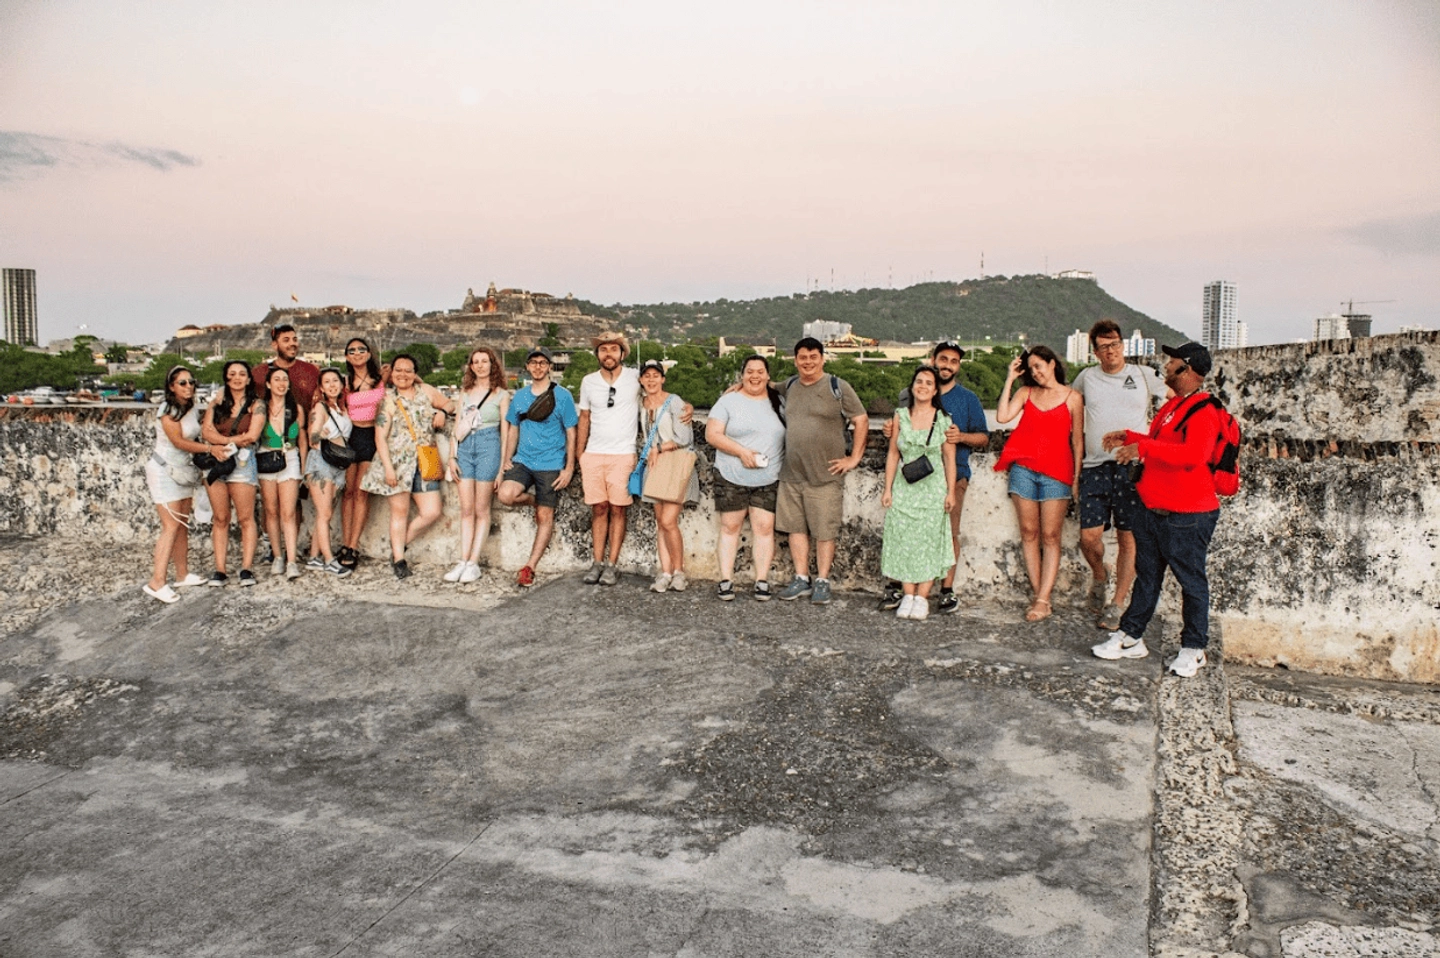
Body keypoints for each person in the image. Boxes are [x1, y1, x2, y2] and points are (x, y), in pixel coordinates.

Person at [1094, 343, 1223, 678]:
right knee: (1147, 576)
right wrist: (1131, 437)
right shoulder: (1174, 407)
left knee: (1191, 582)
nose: (1166, 367)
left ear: (1188, 370)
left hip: (1188, 514)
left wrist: (1144, 446)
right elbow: (1164, 443)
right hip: (1155, 508)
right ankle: (1132, 635)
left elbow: (1194, 455)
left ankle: (1194, 648)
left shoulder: (1204, 410)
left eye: (1172, 362)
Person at [1071, 320, 1170, 631]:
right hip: (1095, 466)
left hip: (1133, 468)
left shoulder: (1143, 375)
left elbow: (1174, 403)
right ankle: (1100, 575)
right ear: (1095, 351)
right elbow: (1068, 409)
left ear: (1122, 344)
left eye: (1114, 344)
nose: (1110, 350)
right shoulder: (1086, 378)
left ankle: (1117, 603)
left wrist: (1149, 445)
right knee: (1089, 537)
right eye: (1103, 346)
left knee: (1128, 538)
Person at [878, 342, 989, 613]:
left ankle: (945, 591)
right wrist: (889, 430)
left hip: (951, 476)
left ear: (958, 366)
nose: (948, 365)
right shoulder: (906, 398)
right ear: (933, 360)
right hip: (910, 479)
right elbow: (897, 439)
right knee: (906, 534)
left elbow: (984, 437)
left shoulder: (967, 399)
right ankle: (902, 591)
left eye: (954, 361)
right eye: (943, 359)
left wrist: (960, 436)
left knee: (944, 534)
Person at [774, 337, 870, 605]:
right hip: (792, 472)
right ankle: (801, 578)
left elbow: (861, 420)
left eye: (813, 357)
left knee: (824, 531)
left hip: (826, 474)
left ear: (822, 358)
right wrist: (737, 385)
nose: (808, 362)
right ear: (795, 360)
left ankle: (823, 580)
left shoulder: (837, 387)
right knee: (795, 528)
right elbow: (760, 385)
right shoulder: (790, 385)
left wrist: (854, 458)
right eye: (802, 357)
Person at [993, 345, 1083, 622]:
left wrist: (1077, 478)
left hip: (1057, 472)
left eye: (1039, 366)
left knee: (1051, 536)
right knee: (1029, 533)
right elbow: (1002, 416)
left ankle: (1043, 599)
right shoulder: (1026, 393)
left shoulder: (1073, 398)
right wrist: (1010, 377)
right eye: (1030, 368)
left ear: (1052, 363)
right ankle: (1040, 598)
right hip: (1024, 469)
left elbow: (1077, 442)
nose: (1035, 372)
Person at [359, 354, 453, 579]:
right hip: (398, 463)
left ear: (415, 373)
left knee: (432, 511)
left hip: (425, 459)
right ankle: (399, 558)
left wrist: (441, 412)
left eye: (408, 370)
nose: (402, 375)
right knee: (399, 513)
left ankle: (397, 547)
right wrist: (389, 469)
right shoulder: (388, 400)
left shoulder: (426, 391)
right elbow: (380, 437)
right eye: (398, 370)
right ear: (391, 374)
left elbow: (449, 403)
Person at [706, 354, 786, 601]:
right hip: (731, 474)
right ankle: (726, 580)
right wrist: (741, 452)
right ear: (742, 375)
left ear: (768, 375)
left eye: (760, 371)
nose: (755, 376)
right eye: (749, 371)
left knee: (764, 529)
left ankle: (761, 580)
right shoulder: (728, 401)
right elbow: (712, 434)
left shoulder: (779, 402)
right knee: (730, 527)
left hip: (769, 476)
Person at [881, 367, 958, 619]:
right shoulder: (900, 416)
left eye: (928, 383)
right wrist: (888, 488)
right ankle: (908, 594)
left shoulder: (944, 419)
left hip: (933, 488)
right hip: (905, 486)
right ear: (912, 386)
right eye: (919, 381)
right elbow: (894, 453)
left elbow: (949, 459)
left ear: (935, 390)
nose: (923, 386)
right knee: (904, 540)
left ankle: (922, 597)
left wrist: (950, 492)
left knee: (929, 541)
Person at [498, 347, 578, 587]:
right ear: (528, 367)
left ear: (549, 367)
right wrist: (506, 457)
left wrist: (569, 467)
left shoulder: (562, 396)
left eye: (543, 363)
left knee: (545, 516)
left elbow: (571, 431)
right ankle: (535, 500)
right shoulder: (520, 396)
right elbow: (513, 428)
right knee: (505, 494)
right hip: (524, 459)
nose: (538, 367)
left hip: (551, 462)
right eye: (533, 363)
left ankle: (530, 566)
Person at [142, 366, 221, 602]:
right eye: (182, 383)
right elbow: (177, 441)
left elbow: (200, 429)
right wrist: (210, 449)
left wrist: (215, 406)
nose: (188, 387)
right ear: (171, 387)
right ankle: (157, 582)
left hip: (183, 471)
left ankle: (182, 573)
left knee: (182, 524)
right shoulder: (167, 409)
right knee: (170, 526)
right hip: (165, 471)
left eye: (191, 382)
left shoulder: (191, 408)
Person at [575, 331, 641, 586]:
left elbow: (659, 393)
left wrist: (686, 407)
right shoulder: (588, 381)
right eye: (603, 349)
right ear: (597, 355)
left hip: (623, 454)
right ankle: (597, 562)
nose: (608, 354)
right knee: (598, 509)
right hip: (594, 453)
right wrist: (580, 455)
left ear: (622, 353)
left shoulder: (635, 377)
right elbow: (584, 418)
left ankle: (612, 565)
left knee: (618, 509)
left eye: (613, 349)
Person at [443, 347, 510, 583]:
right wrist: (452, 457)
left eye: (485, 361)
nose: (480, 365)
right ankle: (462, 560)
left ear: (493, 364)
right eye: (476, 362)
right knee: (466, 509)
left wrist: (502, 468)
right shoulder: (465, 393)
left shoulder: (502, 395)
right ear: (471, 367)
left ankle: (473, 563)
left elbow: (505, 432)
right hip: (465, 448)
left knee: (482, 510)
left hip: (488, 446)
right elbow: (457, 426)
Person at [200, 360, 264, 587]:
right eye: (232, 374)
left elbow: (252, 436)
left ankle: (246, 568)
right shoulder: (217, 403)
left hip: (242, 462)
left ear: (248, 379)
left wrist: (224, 443)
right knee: (220, 518)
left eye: (242, 374)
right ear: (226, 379)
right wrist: (230, 443)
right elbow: (206, 431)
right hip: (216, 460)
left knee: (246, 518)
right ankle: (220, 569)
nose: (237, 378)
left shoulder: (256, 405)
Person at [637, 359, 698, 592]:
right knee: (659, 522)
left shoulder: (674, 402)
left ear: (663, 378)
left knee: (668, 521)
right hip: (654, 466)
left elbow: (684, 438)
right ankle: (665, 572)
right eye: (647, 376)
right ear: (641, 380)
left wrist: (659, 449)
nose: (651, 379)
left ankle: (679, 571)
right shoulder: (640, 403)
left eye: (656, 375)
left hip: (674, 463)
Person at [338, 338, 386, 570]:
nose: (357, 353)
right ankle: (345, 542)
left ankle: (354, 545)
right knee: (347, 492)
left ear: (369, 353)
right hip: (349, 437)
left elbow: (413, 380)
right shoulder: (344, 382)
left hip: (370, 436)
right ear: (347, 357)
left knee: (361, 492)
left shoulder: (381, 379)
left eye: (361, 349)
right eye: (352, 351)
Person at [257, 366, 308, 579]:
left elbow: (302, 439)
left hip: (290, 458)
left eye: (285, 379)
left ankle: (291, 560)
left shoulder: (295, 409)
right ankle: (277, 556)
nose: (281, 383)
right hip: (267, 458)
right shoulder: (261, 408)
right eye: (276, 379)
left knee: (288, 512)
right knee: (271, 511)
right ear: (268, 384)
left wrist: (303, 467)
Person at [303, 368, 353, 577]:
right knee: (324, 514)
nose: (332, 385)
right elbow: (311, 438)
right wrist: (319, 434)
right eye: (327, 382)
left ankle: (314, 557)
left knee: (325, 514)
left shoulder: (341, 409)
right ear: (321, 387)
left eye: (336, 381)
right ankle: (330, 560)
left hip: (337, 465)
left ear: (342, 385)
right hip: (321, 463)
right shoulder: (320, 408)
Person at [251, 322, 321, 411]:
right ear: (275, 345)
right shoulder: (259, 373)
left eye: (295, 340)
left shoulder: (311, 371)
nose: (292, 344)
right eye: (286, 340)